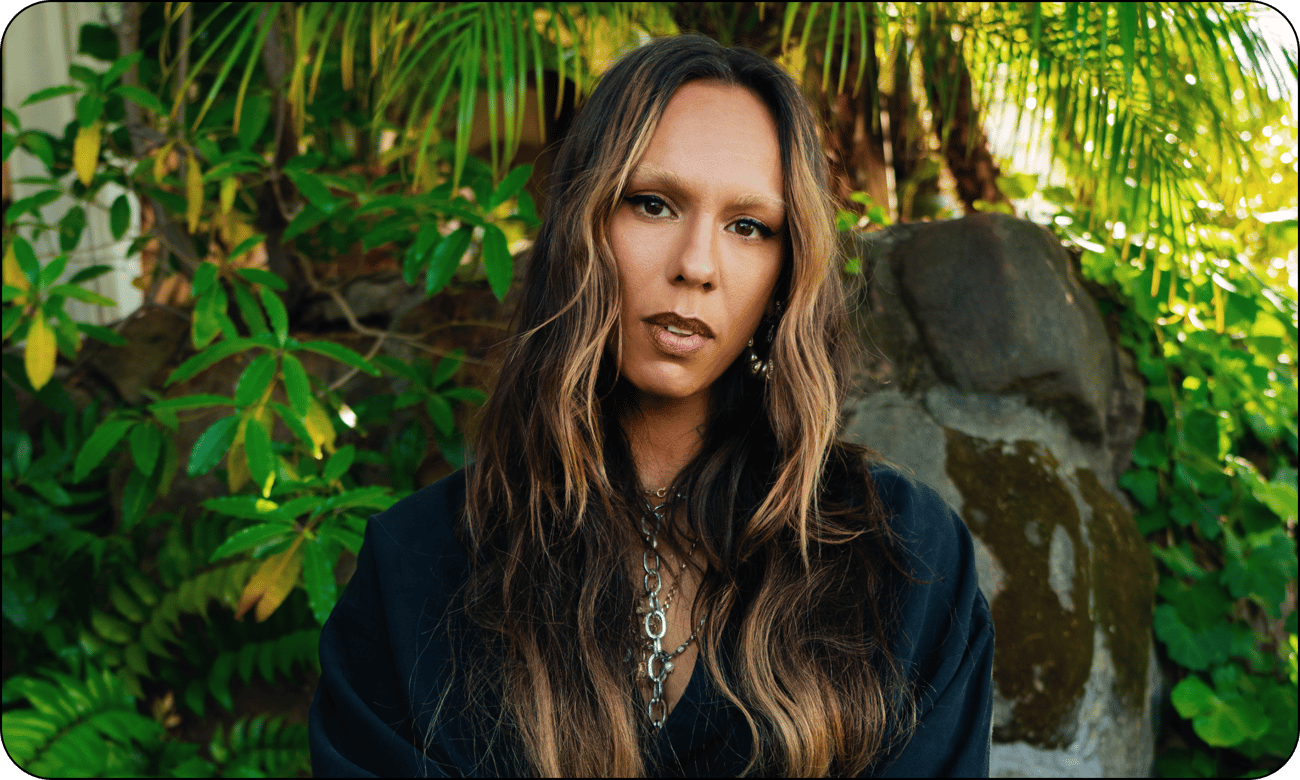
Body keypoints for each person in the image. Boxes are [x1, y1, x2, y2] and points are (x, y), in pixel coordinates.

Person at [309, 34, 993, 777]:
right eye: (653, 204)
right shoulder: (415, 570)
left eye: (748, 227)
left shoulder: (907, 562)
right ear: (581, 223)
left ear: (787, 270)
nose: (696, 265)